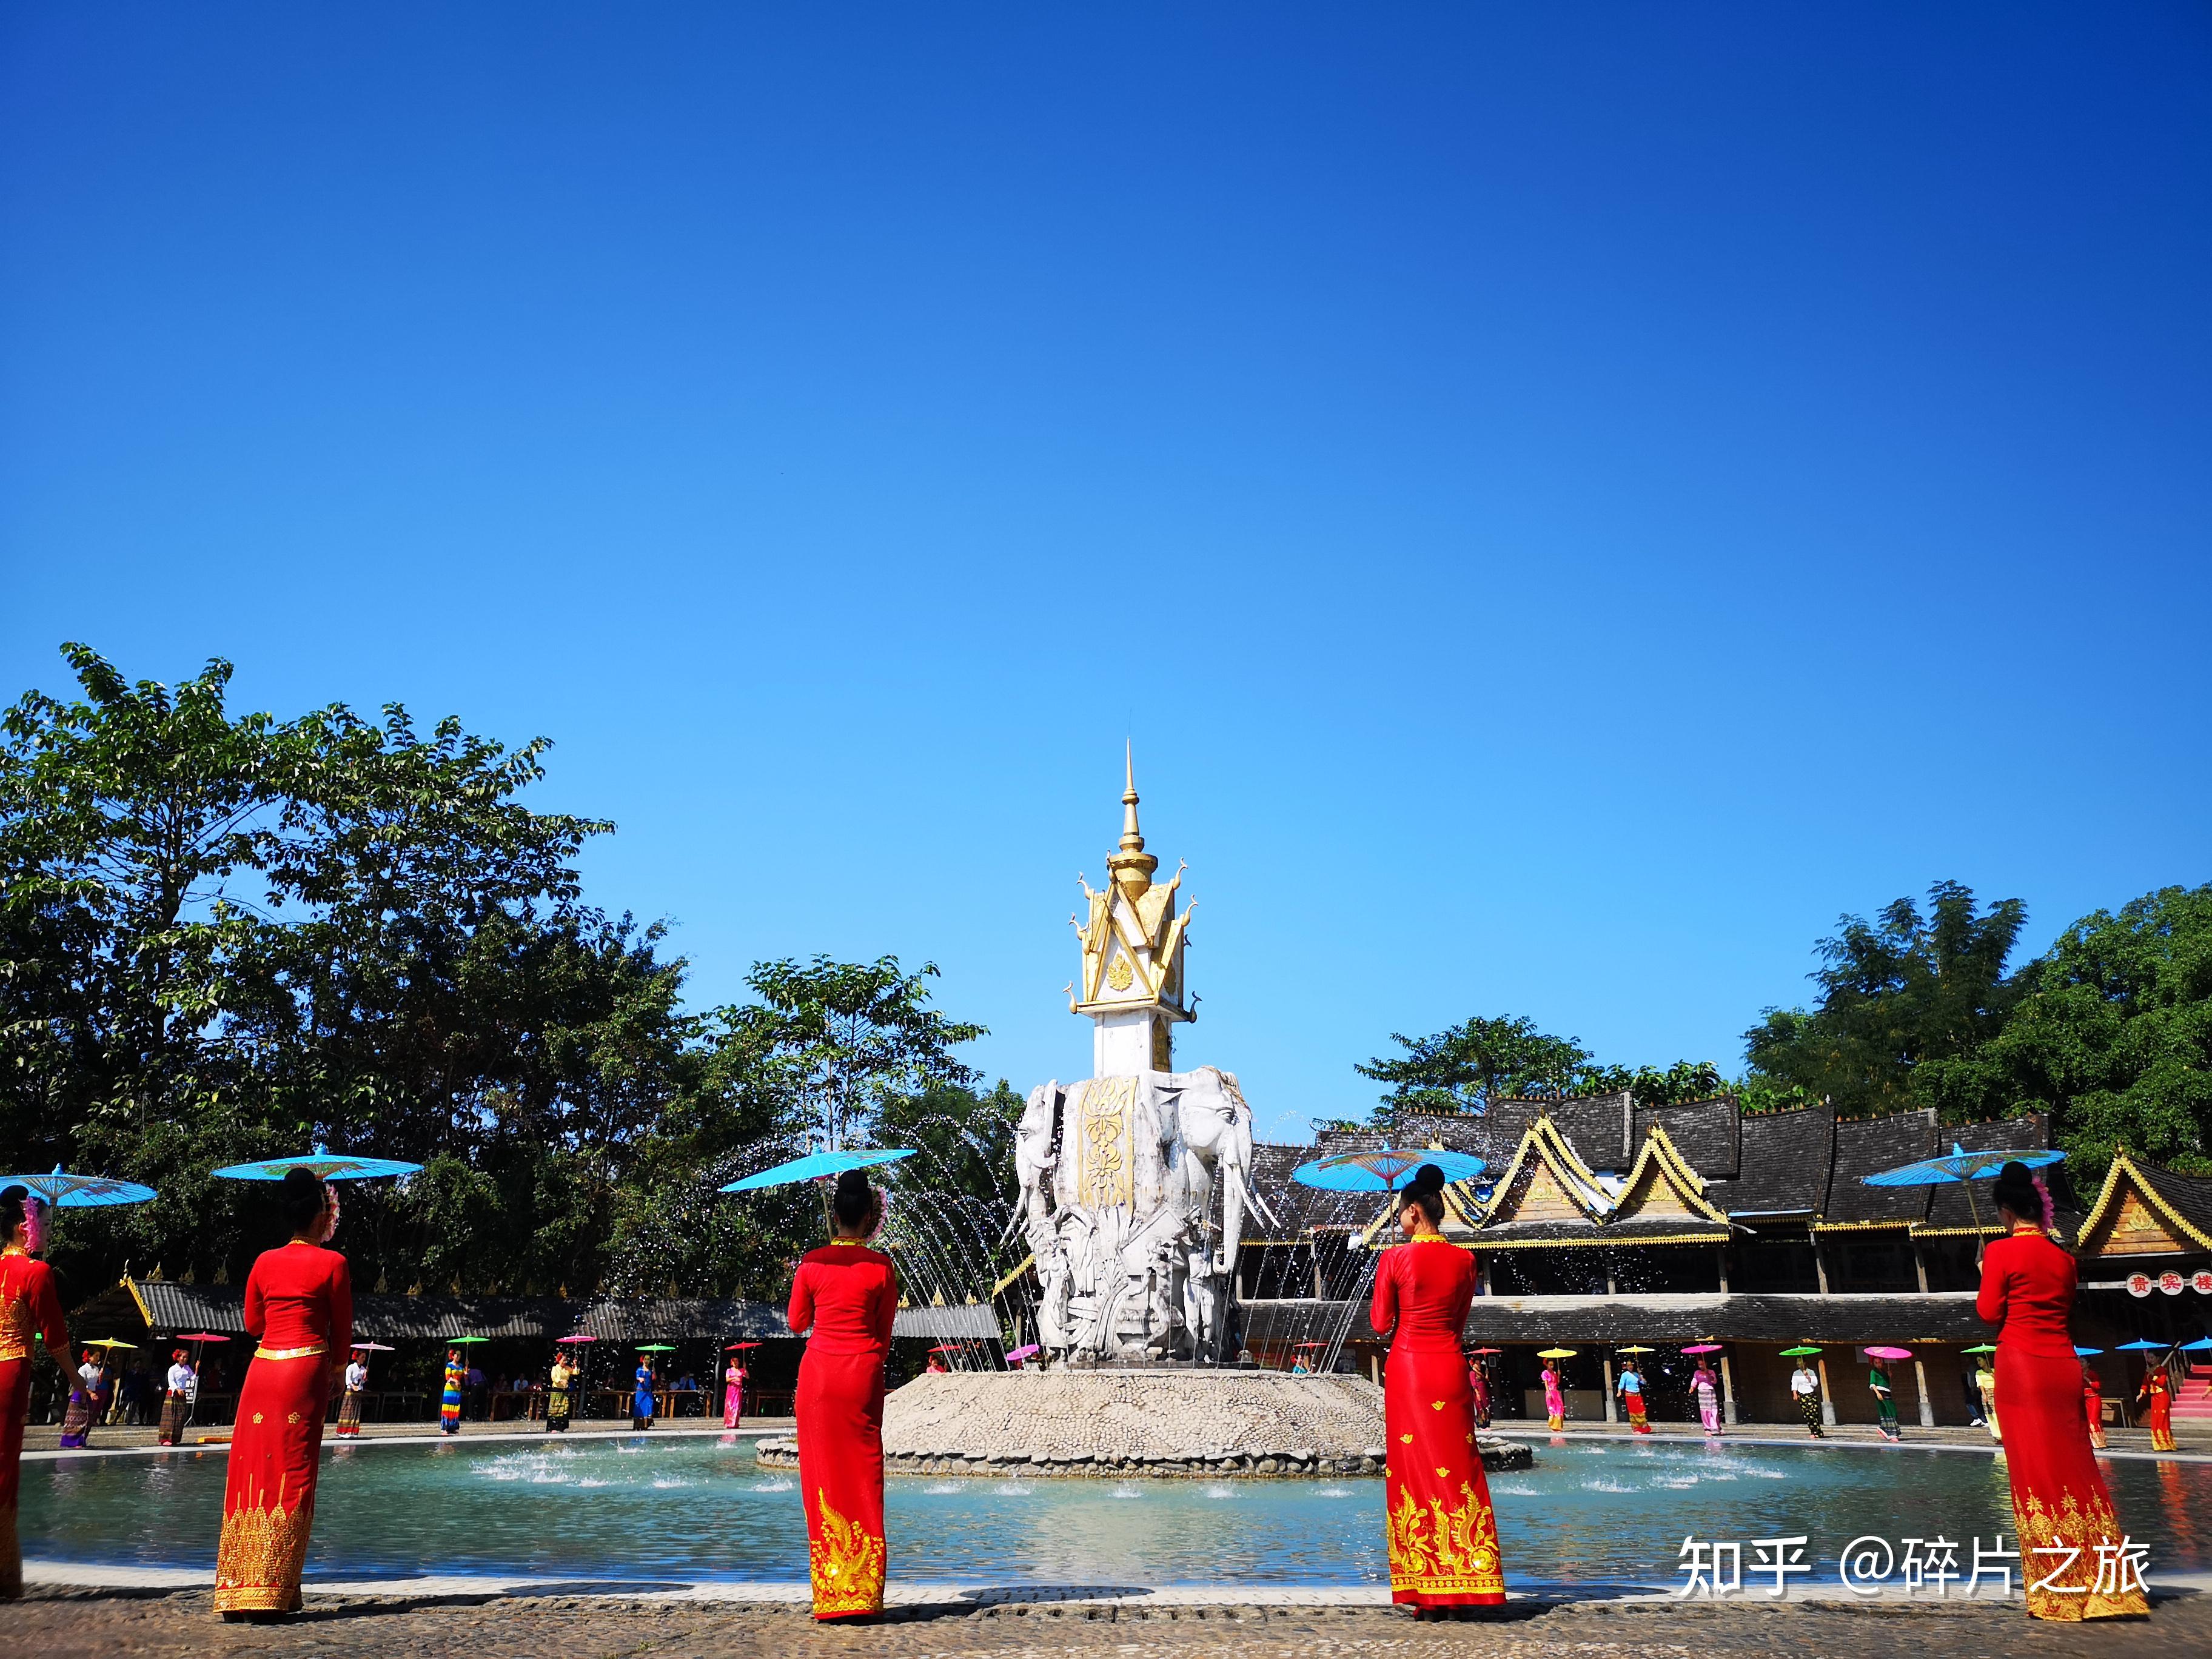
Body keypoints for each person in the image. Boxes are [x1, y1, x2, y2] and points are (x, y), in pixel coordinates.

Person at [1976, 1159, 2147, 1620]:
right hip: (2063, 1366)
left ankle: (2060, 1590)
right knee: (2078, 1471)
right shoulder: (2064, 1259)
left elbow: (1990, 1313)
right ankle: (2107, 1584)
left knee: (2035, 1474)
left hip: (2023, 1368)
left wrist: (1985, 1271)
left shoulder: (1999, 1253)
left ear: (2007, 1210)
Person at [213, 1168, 352, 1620]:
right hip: (303, 1369)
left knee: (252, 1471)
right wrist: (336, 1373)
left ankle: (242, 1587)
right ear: (321, 1216)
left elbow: (254, 1325)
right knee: (294, 1472)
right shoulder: (334, 1264)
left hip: (263, 1370)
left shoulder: (263, 1262)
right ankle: (275, 1588)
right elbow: (343, 1332)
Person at [1369, 1165, 1506, 1615]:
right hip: (1450, 1366)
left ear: (1413, 1212)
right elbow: (1460, 1321)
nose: (1398, 1223)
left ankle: (1426, 1590)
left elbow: (1380, 1323)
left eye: (1399, 1215)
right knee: (1458, 1467)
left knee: (1413, 1473)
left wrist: (1390, 1274)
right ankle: (1469, 1580)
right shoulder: (1466, 1261)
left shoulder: (1395, 1258)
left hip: (1409, 1370)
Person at [786, 1169, 898, 1621]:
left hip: (818, 1378)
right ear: (870, 1216)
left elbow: (797, 1323)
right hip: (862, 1376)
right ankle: (865, 1593)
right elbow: (884, 1334)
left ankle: (833, 1593)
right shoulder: (883, 1267)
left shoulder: (811, 1263)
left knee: (822, 1479)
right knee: (865, 1477)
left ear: (835, 1215)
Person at [2, 1184, 74, 1601]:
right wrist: (77, 1381)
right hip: (10, 1373)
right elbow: (56, 1338)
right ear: (22, 1226)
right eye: (43, 1225)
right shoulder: (36, 1273)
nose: (48, 1232)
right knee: (3, 1467)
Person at [59, 1350, 100, 1449]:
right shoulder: (83, 1369)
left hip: (91, 1396)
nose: (98, 1358)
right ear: (89, 1357)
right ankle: (71, 1441)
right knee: (76, 1421)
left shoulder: (97, 1369)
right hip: (81, 1395)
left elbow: (96, 1384)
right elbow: (81, 1384)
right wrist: (90, 1393)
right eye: (96, 1356)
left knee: (88, 1420)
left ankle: (82, 1440)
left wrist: (100, 1377)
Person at [2136, 1360, 2175, 1453]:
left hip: (2162, 1397)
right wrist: (2141, 1393)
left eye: (2152, 1357)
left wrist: (2153, 1376)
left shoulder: (2161, 1370)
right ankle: (2158, 1444)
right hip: (2154, 1398)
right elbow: (2145, 1383)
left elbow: (2162, 1383)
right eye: (2149, 1357)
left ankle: (2166, 1444)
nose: (2150, 1359)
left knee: (2162, 1420)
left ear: (2158, 1358)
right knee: (2155, 1421)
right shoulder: (2149, 1370)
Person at [159, 1350, 196, 1446]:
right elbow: (171, 1381)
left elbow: (193, 1378)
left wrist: (196, 1368)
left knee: (180, 1416)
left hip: (182, 1394)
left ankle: (175, 1438)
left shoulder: (187, 1368)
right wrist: (177, 1389)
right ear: (178, 1357)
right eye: (183, 1357)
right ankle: (166, 1439)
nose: (184, 1359)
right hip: (173, 1393)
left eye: (186, 1358)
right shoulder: (173, 1369)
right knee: (171, 1416)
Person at [337, 1349, 368, 1439]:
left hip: (358, 1391)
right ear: (357, 1357)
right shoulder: (351, 1367)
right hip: (351, 1390)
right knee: (348, 1410)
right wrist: (352, 1386)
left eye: (364, 1358)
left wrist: (365, 1376)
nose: (363, 1359)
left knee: (356, 1411)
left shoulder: (363, 1369)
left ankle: (353, 1431)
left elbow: (362, 1382)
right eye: (362, 1357)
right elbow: (348, 1380)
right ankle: (343, 1431)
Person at [1789, 1358, 1824, 1437]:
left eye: (1800, 1362)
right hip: (1802, 1395)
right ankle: (1812, 1432)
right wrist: (1795, 1393)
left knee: (1813, 1414)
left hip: (1811, 1394)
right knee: (1807, 1415)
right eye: (1797, 1362)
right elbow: (1794, 1384)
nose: (1798, 1364)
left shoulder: (1811, 1372)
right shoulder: (1796, 1373)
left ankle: (1818, 1432)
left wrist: (1808, 1376)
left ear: (1804, 1363)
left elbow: (1815, 1383)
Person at [1868, 1360, 1901, 1441]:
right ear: (1874, 1364)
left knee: (1893, 1411)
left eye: (1879, 1362)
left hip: (1887, 1393)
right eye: (1876, 1363)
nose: (1878, 1364)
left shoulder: (1884, 1372)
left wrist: (1889, 1376)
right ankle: (1890, 1433)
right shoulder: (1873, 1372)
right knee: (1886, 1411)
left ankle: (1885, 1429)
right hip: (1880, 1392)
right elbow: (1872, 1384)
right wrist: (1877, 1393)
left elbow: (1888, 1384)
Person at [1616, 1360, 1651, 1434]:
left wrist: (1640, 1374)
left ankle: (1643, 1428)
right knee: (1633, 1412)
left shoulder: (1636, 1374)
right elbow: (1621, 1384)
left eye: (1631, 1366)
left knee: (1641, 1411)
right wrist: (1619, 1391)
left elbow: (1643, 1383)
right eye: (1629, 1366)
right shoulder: (1625, 1375)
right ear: (1627, 1367)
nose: (1630, 1367)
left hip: (1637, 1394)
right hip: (1630, 1395)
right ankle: (1636, 1429)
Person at [1691, 1358, 1721, 1436]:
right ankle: (1707, 1427)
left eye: (1702, 1364)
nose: (1701, 1366)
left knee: (1713, 1409)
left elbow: (1714, 1381)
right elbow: (1694, 1381)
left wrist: (1709, 1375)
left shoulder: (1711, 1372)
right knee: (1704, 1411)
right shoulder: (1697, 1372)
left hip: (1710, 1391)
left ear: (1706, 1364)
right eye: (1699, 1364)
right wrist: (1692, 1387)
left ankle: (1715, 1428)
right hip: (1702, 1392)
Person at [1974, 1356, 2001, 1439]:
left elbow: (1999, 1381)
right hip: (1987, 1392)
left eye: (1980, 1360)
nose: (1979, 1363)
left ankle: (2002, 1432)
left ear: (1985, 1360)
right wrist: (1984, 1394)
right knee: (1990, 1414)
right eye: (1978, 1361)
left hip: (1996, 1392)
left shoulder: (1993, 1371)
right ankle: (1996, 1434)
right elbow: (1980, 1384)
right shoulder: (1979, 1372)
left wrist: (1992, 1374)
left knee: (1998, 1413)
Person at [547, 1353, 575, 1433]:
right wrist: (561, 1381)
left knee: (564, 1409)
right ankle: (553, 1427)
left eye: (566, 1361)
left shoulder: (567, 1368)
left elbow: (575, 1372)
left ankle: (561, 1427)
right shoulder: (555, 1368)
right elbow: (554, 1378)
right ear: (559, 1360)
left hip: (564, 1391)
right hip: (556, 1390)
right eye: (563, 1361)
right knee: (555, 1410)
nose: (565, 1362)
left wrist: (575, 1364)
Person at [439, 1349, 463, 1435]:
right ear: (453, 1356)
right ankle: (445, 1428)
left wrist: (467, 1368)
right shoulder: (449, 1365)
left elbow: (465, 1375)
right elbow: (448, 1377)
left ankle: (453, 1427)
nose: (458, 1357)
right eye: (456, 1355)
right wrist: (455, 1381)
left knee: (456, 1408)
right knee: (448, 1408)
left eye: (459, 1355)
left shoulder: (461, 1366)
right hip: (450, 1389)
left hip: (457, 1390)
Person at [2082, 1365, 2106, 1451]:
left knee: (2094, 1420)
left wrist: (2087, 1379)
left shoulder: (2092, 1374)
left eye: (2083, 1362)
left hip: (2093, 1399)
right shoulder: (2078, 1374)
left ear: (2088, 1364)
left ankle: (2099, 1442)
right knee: (2086, 1421)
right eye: (2080, 1362)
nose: (2081, 1364)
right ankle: (2091, 1442)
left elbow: (2097, 1386)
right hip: (2084, 1400)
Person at [1467, 1355, 1491, 1430]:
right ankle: (1481, 1424)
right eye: (1477, 1364)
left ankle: (1486, 1423)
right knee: (1479, 1407)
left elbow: (1485, 1381)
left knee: (1485, 1406)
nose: (1479, 1365)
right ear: (1473, 1364)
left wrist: (1487, 1375)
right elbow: (1473, 1384)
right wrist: (1477, 1393)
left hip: (1484, 1391)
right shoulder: (1472, 1373)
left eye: (1479, 1364)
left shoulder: (1480, 1373)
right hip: (1478, 1391)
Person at [632, 1358, 657, 1430]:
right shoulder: (640, 1369)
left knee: (649, 1405)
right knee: (639, 1407)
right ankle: (638, 1425)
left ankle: (647, 1423)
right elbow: (637, 1377)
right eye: (645, 1359)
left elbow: (654, 1378)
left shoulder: (650, 1370)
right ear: (643, 1361)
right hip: (641, 1391)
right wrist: (640, 1379)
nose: (647, 1361)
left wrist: (654, 1372)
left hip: (648, 1392)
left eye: (648, 1359)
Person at [723, 1355, 747, 1429]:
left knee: (737, 1406)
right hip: (731, 1390)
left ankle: (735, 1423)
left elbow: (748, 1376)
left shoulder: (741, 1370)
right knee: (730, 1406)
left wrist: (745, 1368)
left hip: (738, 1391)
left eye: (737, 1361)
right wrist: (734, 1378)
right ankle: (729, 1423)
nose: (735, 1362)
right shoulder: (729, 1370)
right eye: (734, 1361)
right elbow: (727, 1380)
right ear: (732, 1362)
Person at [1540, 1361, 1564, 1432]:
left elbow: (1557, 1382)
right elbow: (1546, 1384)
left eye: (1553, 1365)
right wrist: (1548, 1393)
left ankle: (1558, 1426)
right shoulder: (1545, 1373)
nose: (1552, 1366)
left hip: (1556, 1392)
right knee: (1552, 1408)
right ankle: (1553, 1425)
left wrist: (1559, 1375)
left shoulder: (1554, 1373)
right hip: (1550, 1392)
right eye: (1550, 1365)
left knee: (1559, 1408)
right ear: (1547, 1365)